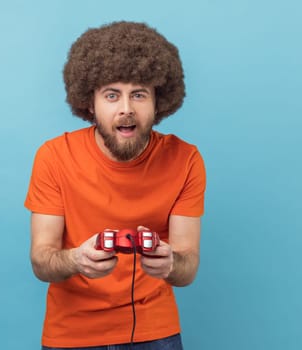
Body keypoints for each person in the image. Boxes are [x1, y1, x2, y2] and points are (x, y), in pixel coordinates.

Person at [25, 21, 206, 349]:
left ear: (158, 102)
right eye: (112, 95)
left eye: (139, 94)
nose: (126, 109)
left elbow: (188, 265)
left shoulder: (186, 159)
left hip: (155, 333)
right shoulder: (54, 156)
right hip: (72, 334)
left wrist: (170, 263)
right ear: (90, 103)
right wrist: (76, 259)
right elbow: (41, 259)